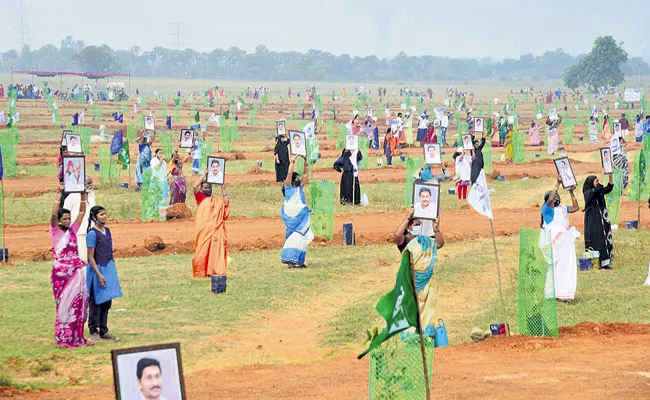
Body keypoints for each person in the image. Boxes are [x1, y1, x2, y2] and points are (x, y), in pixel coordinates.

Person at [392, 205, 445, 337]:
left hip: (425, 288)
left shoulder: (424, 241)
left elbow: (440, 244)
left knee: (425, 315)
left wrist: (436, 230)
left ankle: (426, 339)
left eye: (419, 224)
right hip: (409, 284)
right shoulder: (405, 241)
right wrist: (408, 216)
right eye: (416, 224)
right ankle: (409, 340)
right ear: (409, 227)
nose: (418, 227)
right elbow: (397, 235)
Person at [49, 185, 90, 348]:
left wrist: (83, 196)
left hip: (76, 273)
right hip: (61, 275)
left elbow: (81, 213)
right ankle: (63, 338)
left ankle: (76, 336)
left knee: (78, 304)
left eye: (68, 218)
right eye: (64, 219)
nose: (67, 221)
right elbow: (53, 214)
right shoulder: (55, 231)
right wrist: (58, 195)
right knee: (63, 306)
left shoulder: (73, 229)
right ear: (59, 220)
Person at [539, 176, 581, 301]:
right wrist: (557, 183)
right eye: (554, 198)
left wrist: (571, 192)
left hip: (565, 244)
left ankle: (565, 294)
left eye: (558, 198)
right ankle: (553, 293)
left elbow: (575, 208)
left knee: (567, 267)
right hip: (555, 244)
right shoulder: (546, 210)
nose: (556, 199)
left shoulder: (562, 209)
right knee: (555, 268)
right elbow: (551, 198)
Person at [86, 205, 122, 341]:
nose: (104, 217)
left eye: (105, 214)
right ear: (94, 218)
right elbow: (90, 256)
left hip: (108, 268)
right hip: (97, 270)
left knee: (107, 301)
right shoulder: (92, 234)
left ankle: (104, 330)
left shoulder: (108, 231)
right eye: (101, 215)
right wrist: (99, 274)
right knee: (96, 301)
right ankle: (93, 330)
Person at [192, 173, 230, 294]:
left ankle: (213, 270)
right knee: (202, 251)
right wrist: (204, 175)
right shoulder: (200, 198)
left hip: (215, 230)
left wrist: (223, 189)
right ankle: (201, 271)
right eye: (206, 187)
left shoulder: (217, 200)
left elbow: (226, 203)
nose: (208, 189)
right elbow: (194, 186)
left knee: (215, 251)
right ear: (202, 189)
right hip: (204, 231)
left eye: (210, 187)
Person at [281, 155, 313, 268]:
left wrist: (305, 162)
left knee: (302, 238)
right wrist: (292, 162)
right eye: (297, 178)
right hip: (292, 218)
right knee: (293, 238)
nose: (299, 179)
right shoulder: (288, 187)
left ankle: (299, 261)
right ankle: (290, 261)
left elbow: (305, 175)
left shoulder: (300, 188)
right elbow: (289, 174)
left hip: (302, 218)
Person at [583, 174, 614, 269]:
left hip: (602, 220)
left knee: (604, 239)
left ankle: (605, 262)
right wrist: (602, 173)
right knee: (596, 239)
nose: (597, 183)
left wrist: (610, 175)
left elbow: (609, 188)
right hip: (593, 220)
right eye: (595, 181)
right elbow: (597, 189)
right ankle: (594, 261)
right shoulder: (587, 192)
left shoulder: (598, 191)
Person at [63, 176, 96, 261]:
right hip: (78, 232)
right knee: (82, 258)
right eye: (87, 183)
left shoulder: (92, 195)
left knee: (92, 258)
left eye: (91, 183)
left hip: (91, 232)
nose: (90, 186)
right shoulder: (72, 196)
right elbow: (64, 214)